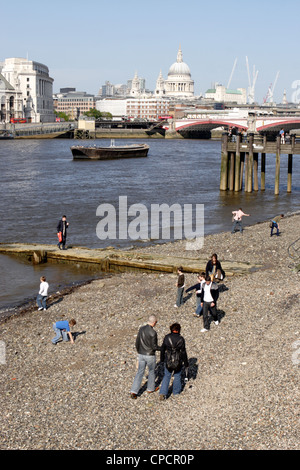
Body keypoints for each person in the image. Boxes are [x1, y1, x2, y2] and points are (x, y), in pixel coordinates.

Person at [130, 315, 160, 399]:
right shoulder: (153, 332)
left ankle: (134, 391)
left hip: (141, 354)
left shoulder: (141, 329)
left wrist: (139, 351)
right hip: (150, 355)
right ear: (154, 322)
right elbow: (154, 347)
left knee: (140, 372)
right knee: (151, 371)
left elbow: (137, 342)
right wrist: (162, 348)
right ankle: (150, 388)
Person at [159, 323, 189, 400]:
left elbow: (162, 349)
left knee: (167, 376)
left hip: (168, 360)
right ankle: (176, 392)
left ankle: (163, 393)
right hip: (178, 360)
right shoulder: (181, 339)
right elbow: (183, 352)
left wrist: (162, 359)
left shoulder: (167, 337)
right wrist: (186, 363)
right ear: (178, 330)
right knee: (177, 376)